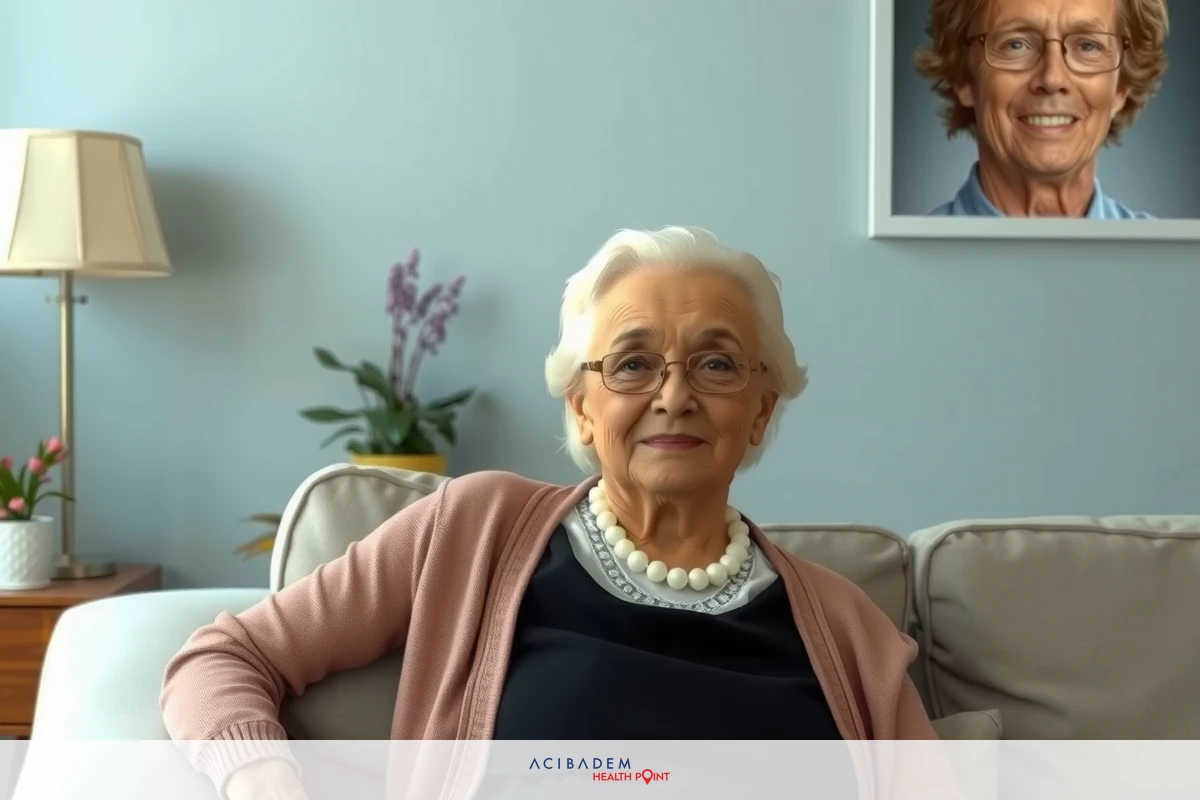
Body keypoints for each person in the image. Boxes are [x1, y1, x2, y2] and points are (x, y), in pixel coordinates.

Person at [159, 226, 940, 800]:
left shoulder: (845, 628)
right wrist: (261, 778)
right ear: (584, 405)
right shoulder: (475, 529)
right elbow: (222, 659)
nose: (675, 394)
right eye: (633, 363)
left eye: (716, 363)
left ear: (761, 409)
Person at [914, 0, 1169, 218]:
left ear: (1121, 86)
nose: (1052, 79)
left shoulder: (1176, 268)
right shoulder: (901, 270)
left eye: (1088, 46)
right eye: (1016, 44)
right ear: (964, 77)